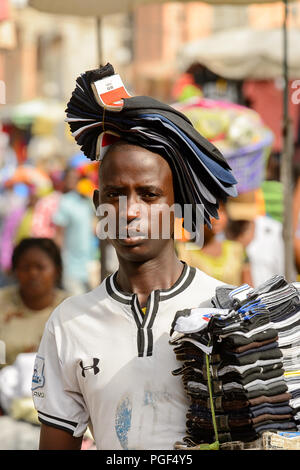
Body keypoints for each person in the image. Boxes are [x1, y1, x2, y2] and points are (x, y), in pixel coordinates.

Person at [32, 65, 237, 450]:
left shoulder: (224, 312)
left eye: (148, 194)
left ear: (179, 206)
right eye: (114, 194)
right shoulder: (69, 324)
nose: (128, 211)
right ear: (98, 205)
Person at [0, 238, 69, 367]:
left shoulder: (70, 308)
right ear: (16, 271)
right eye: (26, 268)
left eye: (40, 267)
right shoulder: (2, 302)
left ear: (56, 271)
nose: (33, 273)